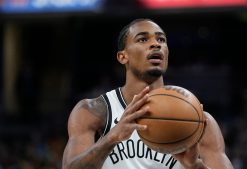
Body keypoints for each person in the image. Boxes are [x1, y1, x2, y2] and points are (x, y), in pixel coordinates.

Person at [62, 18, 233, 169]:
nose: (156, 44)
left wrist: (196, 168)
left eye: (161, 39)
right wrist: (110, 139)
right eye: (143, 39)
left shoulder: (199, 122)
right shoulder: (94, 111)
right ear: (123, 57)